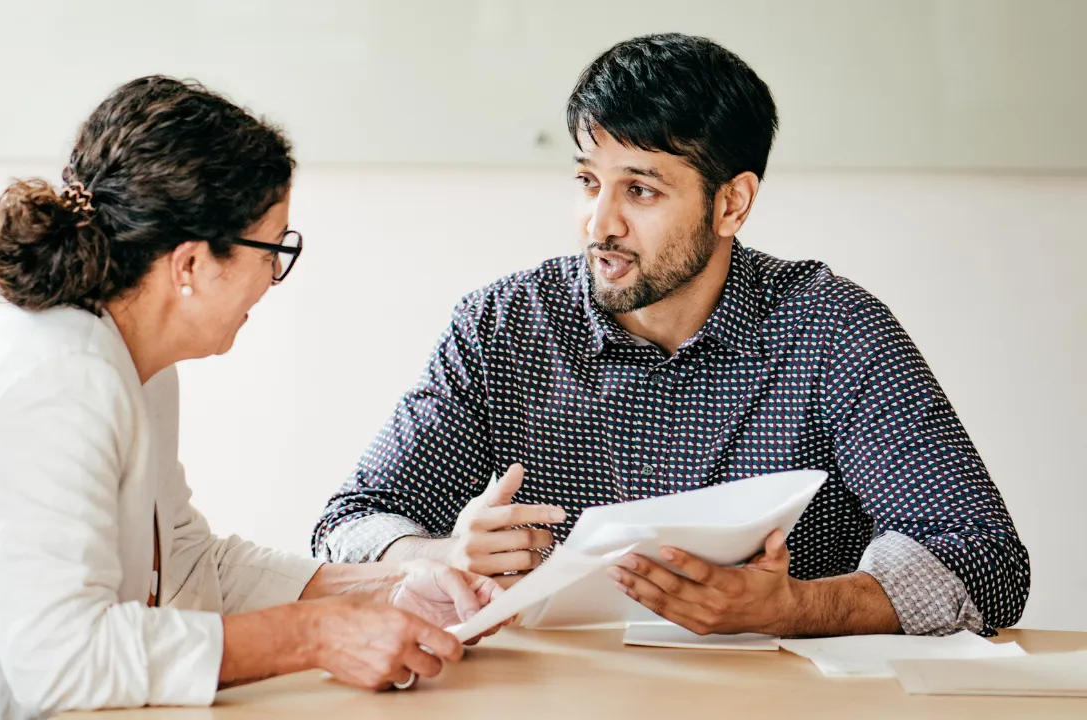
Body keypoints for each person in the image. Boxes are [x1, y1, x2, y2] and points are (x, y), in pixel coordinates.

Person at [0, 77, 502, 720]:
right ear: (191, 263)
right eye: (271, 250)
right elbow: (63, 661)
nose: (272, 277)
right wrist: (311, 635)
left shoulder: (132, 361)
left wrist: (391, 583)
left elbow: (189, 564)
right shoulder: (55, 382)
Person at [313, 33, 1030, 639]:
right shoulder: (503, 326)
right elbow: (348, 523)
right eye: (588, 181)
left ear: (732, 204)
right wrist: (435, 555)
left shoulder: (832, 329)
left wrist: (795, 608)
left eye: (641, 190)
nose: (600, 224)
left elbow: (986, 562)